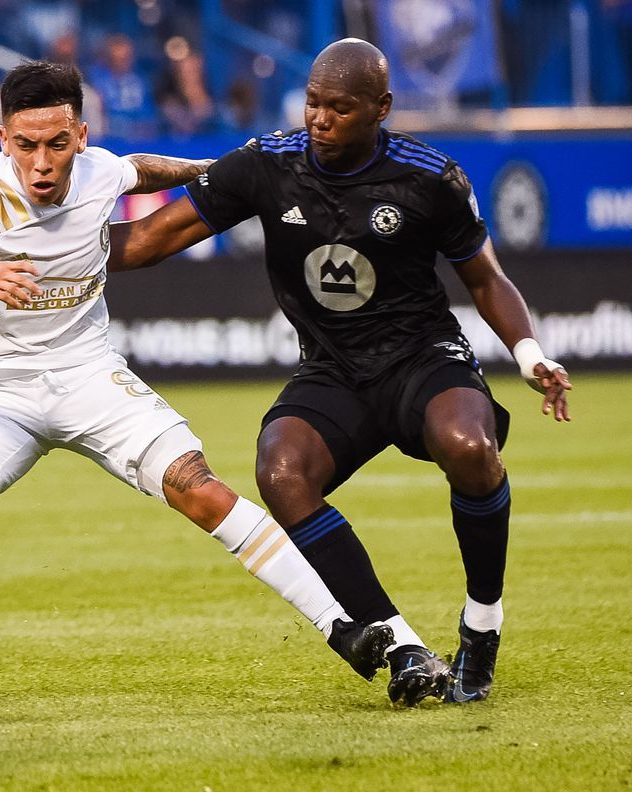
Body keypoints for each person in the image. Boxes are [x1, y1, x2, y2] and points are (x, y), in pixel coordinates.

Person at [0, 61, 393, 720]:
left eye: (57, 144)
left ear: (82, 137)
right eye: (26, 145)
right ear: (4, 139)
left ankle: (340, 627)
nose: (42, 162)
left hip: (89, 373)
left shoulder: (98, 171)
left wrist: (210, 170)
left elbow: (138, 168)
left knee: (200, 487)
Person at [107, 39, 572, 706]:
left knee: (473, 450)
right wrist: (46, 256)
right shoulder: (267, 165)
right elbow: (150, 240)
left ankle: (482, 625)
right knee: (280, 471)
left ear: (381, 109)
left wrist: (530, 355)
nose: (320, 120)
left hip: (422, 356)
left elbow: (487, 279)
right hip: (334, 370)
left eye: (340, 108)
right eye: (313, 104)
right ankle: (405, 645)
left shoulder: (429, 177)